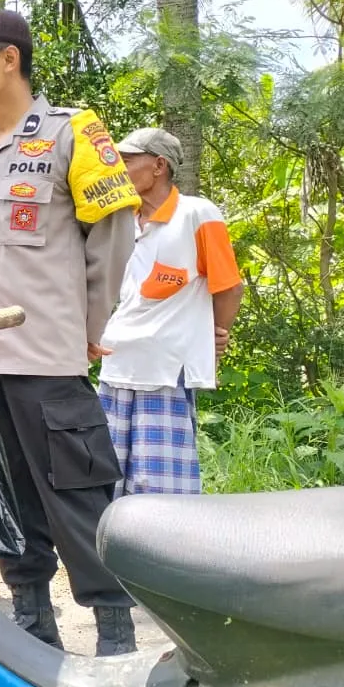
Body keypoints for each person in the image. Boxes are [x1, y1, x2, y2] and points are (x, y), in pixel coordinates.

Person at [0, 10, 141, 656]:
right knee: (7, 502)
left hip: (50, 359)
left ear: (9, 59)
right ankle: (36, 634)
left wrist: (90, 326)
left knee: (79, 502)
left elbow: (113, 234)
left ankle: (116, 639)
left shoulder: (73, 133)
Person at [98, 128, 244, 496]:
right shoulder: (122, 220)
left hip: (163, 372)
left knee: (159, 490)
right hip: (116, 366)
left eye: (128, 161)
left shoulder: (197, 213)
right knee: (107, 482)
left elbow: (228, 285)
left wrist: (216, 335)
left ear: (158, 165)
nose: (119, 169)